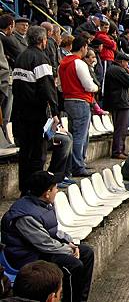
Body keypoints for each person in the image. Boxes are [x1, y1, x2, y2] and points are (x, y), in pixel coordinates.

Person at [0, 171, 95, 302]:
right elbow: (45, 243)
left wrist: (69, 241)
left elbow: (53, 231)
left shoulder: (42, 204)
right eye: (56, 187)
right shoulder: (25, 215)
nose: (58, 190)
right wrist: (69, 250)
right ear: (47, 192)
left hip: (37, 250)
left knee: (87, 253)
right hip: (25, 256)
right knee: (73, 265)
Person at [11, 26, 60, 195]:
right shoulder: (41, 58)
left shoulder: (20, 57)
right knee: (37, 155)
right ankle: (34, 191)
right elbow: (47, 87)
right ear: (42, 40)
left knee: (24, 153)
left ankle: (24, 188)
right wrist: (55, 112)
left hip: (20, 113)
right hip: (35, 114)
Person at [58, 36, 98, 177]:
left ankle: (73, 164)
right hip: (80, 100)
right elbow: (88, 85)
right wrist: (95, 87)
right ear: (82, 48)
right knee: (80, 135)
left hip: (68, 100)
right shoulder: (79, 63)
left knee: (73, 134)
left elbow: (60, 86)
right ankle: (78, 165)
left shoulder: (62, 63)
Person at [103, 52, 129, 159]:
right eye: (126, 62)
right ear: (121, 62)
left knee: (123, 128)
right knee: (120, 128)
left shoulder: (115, 69)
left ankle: (121, 150)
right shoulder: (117, 70)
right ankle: (117, 151)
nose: (127, 65)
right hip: (119, 102)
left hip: (120, 102)